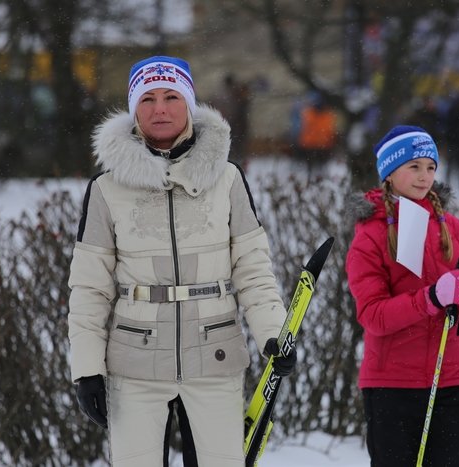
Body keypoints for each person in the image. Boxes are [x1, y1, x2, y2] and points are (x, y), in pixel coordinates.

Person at [67, 55, 296, 467]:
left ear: (189, 104)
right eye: (148, 98)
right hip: (134, 363)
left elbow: (253, 268)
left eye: (172, 96)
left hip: (215, 357)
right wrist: (87, 369)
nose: (160, 108)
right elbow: (89, 288)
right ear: (134, 109)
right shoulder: (105, 189)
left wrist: (272, 334)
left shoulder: (227, 179)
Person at [345, 125, 459, 466]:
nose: (424, 176)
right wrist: (430, 298)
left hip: (449, 381)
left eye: (430, 167)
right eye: (413, 166)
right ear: (390, 172)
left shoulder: (453, 229)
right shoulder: (371, 236)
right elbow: (374, 315)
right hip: (391, 387)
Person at [208, 73, 251, 165]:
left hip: (232, 126)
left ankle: (234, 163)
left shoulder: (226, 95)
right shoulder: (232, 95)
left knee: (233, 148)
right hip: (234, 126)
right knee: (234, 149)